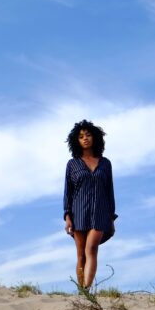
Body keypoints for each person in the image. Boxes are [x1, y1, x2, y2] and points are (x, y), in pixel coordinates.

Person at [63, 120, 117, 291]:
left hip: (100, 213)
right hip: (78, 212)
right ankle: (82, 291)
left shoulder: (105, 163)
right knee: (80, 255)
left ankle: (86, 288)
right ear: (76, 141)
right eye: (80, 136)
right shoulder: (72, 164)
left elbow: (110, 191)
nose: (85, 138)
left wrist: (111, 218)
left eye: (88, 135)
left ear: (95, 137)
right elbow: (68, 192)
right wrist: (67, 216)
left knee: (91, 249)